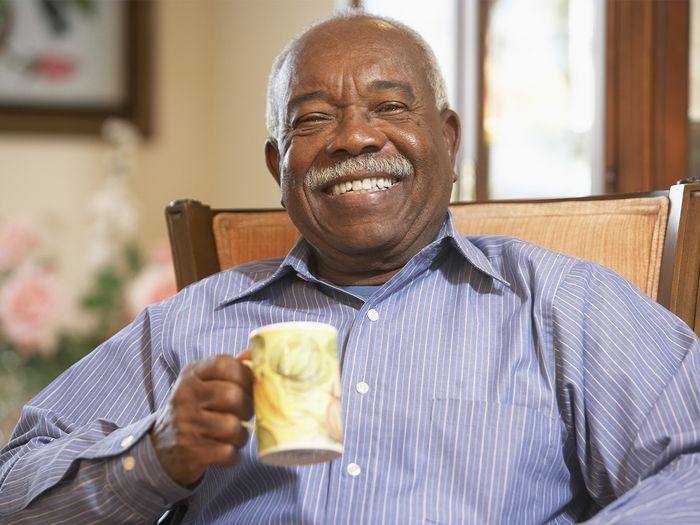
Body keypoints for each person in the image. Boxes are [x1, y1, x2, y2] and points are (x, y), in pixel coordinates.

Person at [1, 10, 699, 525]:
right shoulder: (192, 323)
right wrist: (150, 455)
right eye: (311, 120)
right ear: (279, 165)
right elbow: (13, 490)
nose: (354, 137)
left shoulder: (562, 304)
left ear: (448, 140)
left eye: (390, 106)